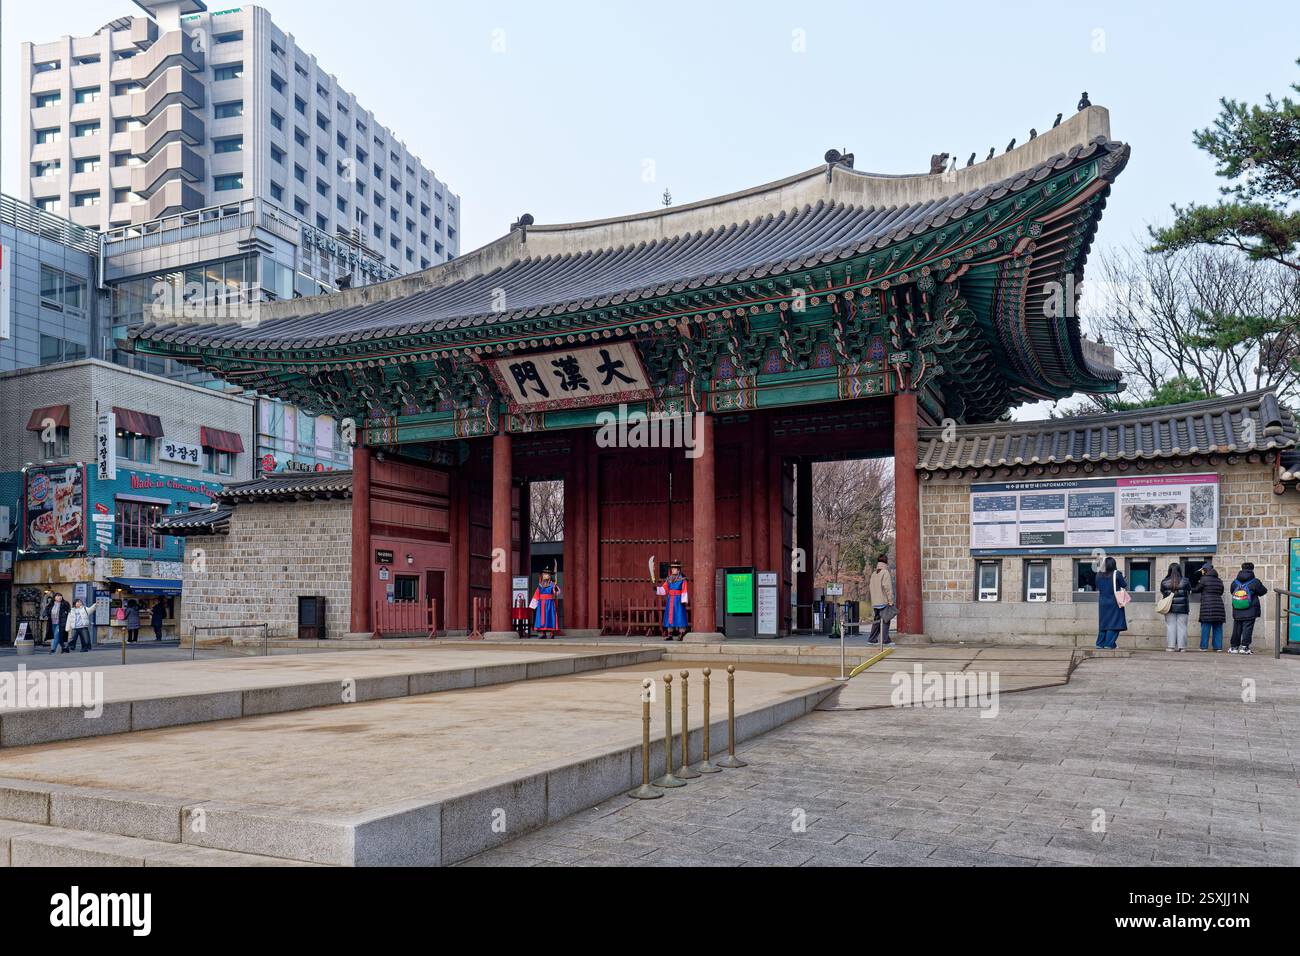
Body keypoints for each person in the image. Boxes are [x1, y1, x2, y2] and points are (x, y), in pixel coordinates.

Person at [1228, 562, 1268, 655]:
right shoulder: (1255, 582)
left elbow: (1231, 591)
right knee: (1247, 628)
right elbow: (1263, 591)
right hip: (1250, 609)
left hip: (1237, 608)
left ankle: (1234, 647)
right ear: (1252, 569)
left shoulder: (1235, 582)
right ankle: (1244, 647)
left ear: (1241, 569)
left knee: (1237, 628)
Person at [1192, 562, 1225, 652]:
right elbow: (1221, 592)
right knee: (1218, 627)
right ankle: (1218, 647)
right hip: (1219, 606)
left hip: (1207, 606)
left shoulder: (1204, 579)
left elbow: (1197, 589)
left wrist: (1189, 589)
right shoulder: (1219, 580)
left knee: (1206, 627)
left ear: (1204, 570)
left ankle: (1204, 647)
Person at [1095, 556, 1127, 649]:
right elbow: (1124, 585)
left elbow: (1098, 586)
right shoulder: (1116, 574)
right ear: (1114, 565)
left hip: (1102, 602)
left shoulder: (1098, 575)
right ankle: (1109, 643)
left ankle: (1099, 643)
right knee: (1114, 622)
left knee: (1104, 622)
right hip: (1114, 602)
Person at [1159, 562, 1190, 652]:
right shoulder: (1185, 581)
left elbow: (1162, 592)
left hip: (1169, 608)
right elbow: (1189, 592)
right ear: (1180, 570)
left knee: (1170, 626)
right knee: (1182, 627)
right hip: (1183, 608)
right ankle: (1182, 647)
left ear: (1169, 570)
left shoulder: (1164, 582)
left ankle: (1171, 646)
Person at [866, 555, 896, 647]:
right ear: (886, 562)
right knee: (886, 621)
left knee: (877, 621)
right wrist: (890, 600)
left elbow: (871, 587)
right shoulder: (885, 572)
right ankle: (885, 640)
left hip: (875, 602)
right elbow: (888, 588)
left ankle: (872, 639)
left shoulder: (874, 573)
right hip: (883, 601)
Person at [657, 560, 689, 642]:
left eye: (674, 569)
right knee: (669, 616)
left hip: (678, 600)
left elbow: (684, 590)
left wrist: (684, 600)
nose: (673, 570)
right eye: (672, 568)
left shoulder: (683, 579)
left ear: (678, 570)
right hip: (670, 599)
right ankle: (670, 634)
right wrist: (657, 589)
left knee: (679, 616)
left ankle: (681, 633)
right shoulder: (669, 579)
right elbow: (664, 589)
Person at [529, 570, 561, 639]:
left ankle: (552, 633)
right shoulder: (540, 585)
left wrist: (556, 589)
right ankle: (543, 633)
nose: (545, 575)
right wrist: (533, 605)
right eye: (544, 574)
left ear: (549, 576)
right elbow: (536, 595)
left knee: (550, 617)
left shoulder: (552, 584)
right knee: (541, 618)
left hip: (550, 604)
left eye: (547, 574)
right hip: (541, 604)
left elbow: (557, 593)